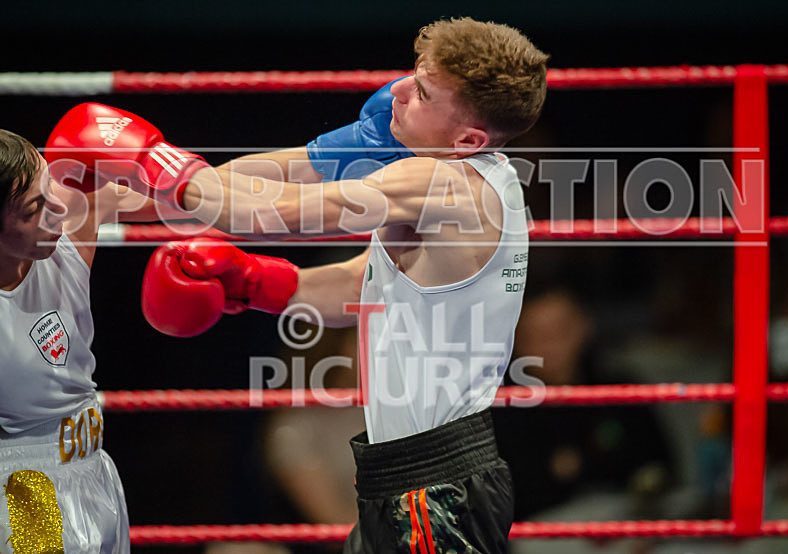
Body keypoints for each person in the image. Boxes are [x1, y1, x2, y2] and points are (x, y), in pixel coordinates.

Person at [45, 17, 548, 553]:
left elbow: (267, 213)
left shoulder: (437, 184)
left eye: (422, 93)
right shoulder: (487, 178)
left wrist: (158, 164)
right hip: (410, 473)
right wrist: (255, 283)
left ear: (467, 138)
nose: (399, 91)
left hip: (437, 486)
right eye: (412, 75)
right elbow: (366, 286)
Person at [0, 129, 190, 552]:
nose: (57, 208)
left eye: (49, 185)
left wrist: (318, 169)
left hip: (93, 471)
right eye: (35, 206)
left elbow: (196, 197)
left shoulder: (68, 229)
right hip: (25, 493)